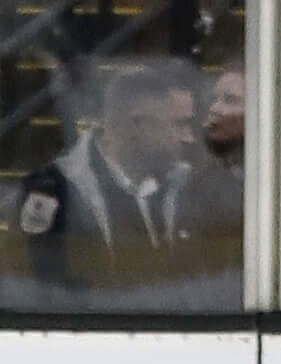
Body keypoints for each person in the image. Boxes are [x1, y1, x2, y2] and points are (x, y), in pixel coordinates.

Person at [14, 62, 231, 309]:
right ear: (137, 126)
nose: (188, 138)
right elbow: (46, 298)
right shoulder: (56, 190)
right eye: (178, 124)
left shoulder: (191, 186)